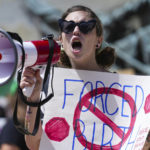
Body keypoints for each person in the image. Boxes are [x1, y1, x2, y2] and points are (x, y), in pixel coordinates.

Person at [20, 5, 116, 150]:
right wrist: (32, 99)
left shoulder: (118, 85)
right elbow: (34, 144)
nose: (76, 31)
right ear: (61, 40)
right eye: (68, 26)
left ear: (98, 40)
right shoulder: (50, 83)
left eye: (85, 26)